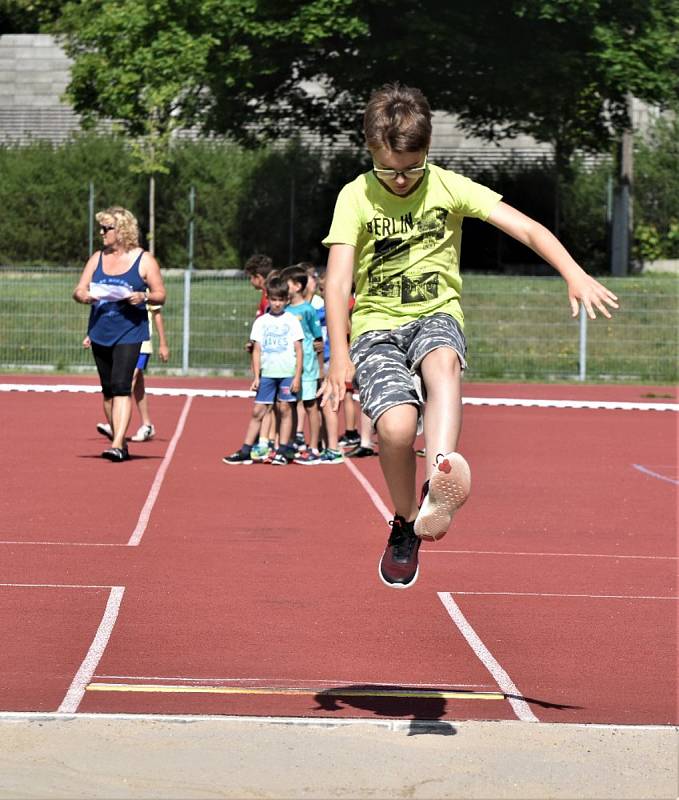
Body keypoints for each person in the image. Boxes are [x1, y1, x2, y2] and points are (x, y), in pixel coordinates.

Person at [320, 83, 619, 589]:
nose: (400, 180)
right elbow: (338, 281)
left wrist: (573, 272)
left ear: (427, 153)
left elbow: (527, 229)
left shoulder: (447, 185)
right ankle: (406, 520)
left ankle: (441, 470)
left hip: (436, 311)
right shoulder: (356, 196)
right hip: (376, 326)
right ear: (370, 150)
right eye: (389, 169)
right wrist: (338, 356)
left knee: (442, 360)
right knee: (394, 429)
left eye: (411, 168)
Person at [73, 206, 166, 462]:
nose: (102, 233)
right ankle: (120, 439)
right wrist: (84, 296)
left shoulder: (144, 260)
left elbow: (160, 294)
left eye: (106, 228)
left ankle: (116, 445)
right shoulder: (97, 258)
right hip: (101, 331)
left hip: (130, 331)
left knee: (122, 386)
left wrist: (143, 296)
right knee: (108, 391)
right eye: (101, 228)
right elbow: (79, 289)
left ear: (122, 230)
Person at [223, 275, 303, 466]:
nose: (276, 304)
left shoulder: (292, 320)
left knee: (285, 409)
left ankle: (283, 449)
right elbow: (257, 350)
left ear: (286, 300)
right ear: (268, 298)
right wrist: (256, 376)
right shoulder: (261, 321)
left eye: (280, 300)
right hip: (267, 373)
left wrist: (297, 377)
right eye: (273, 299)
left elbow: (299, 350)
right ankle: (245, 449)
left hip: (286, 373)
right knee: (258, 410)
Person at [280, 264, 343, 465]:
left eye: (285, 284)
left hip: (309, 366)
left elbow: (317, 342)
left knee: (311, 405)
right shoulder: (285, 309)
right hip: (289, 365)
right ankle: (288, 444)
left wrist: (319, 370)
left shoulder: (309, 310)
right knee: (289, 405)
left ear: (297, 286)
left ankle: (315, 447)